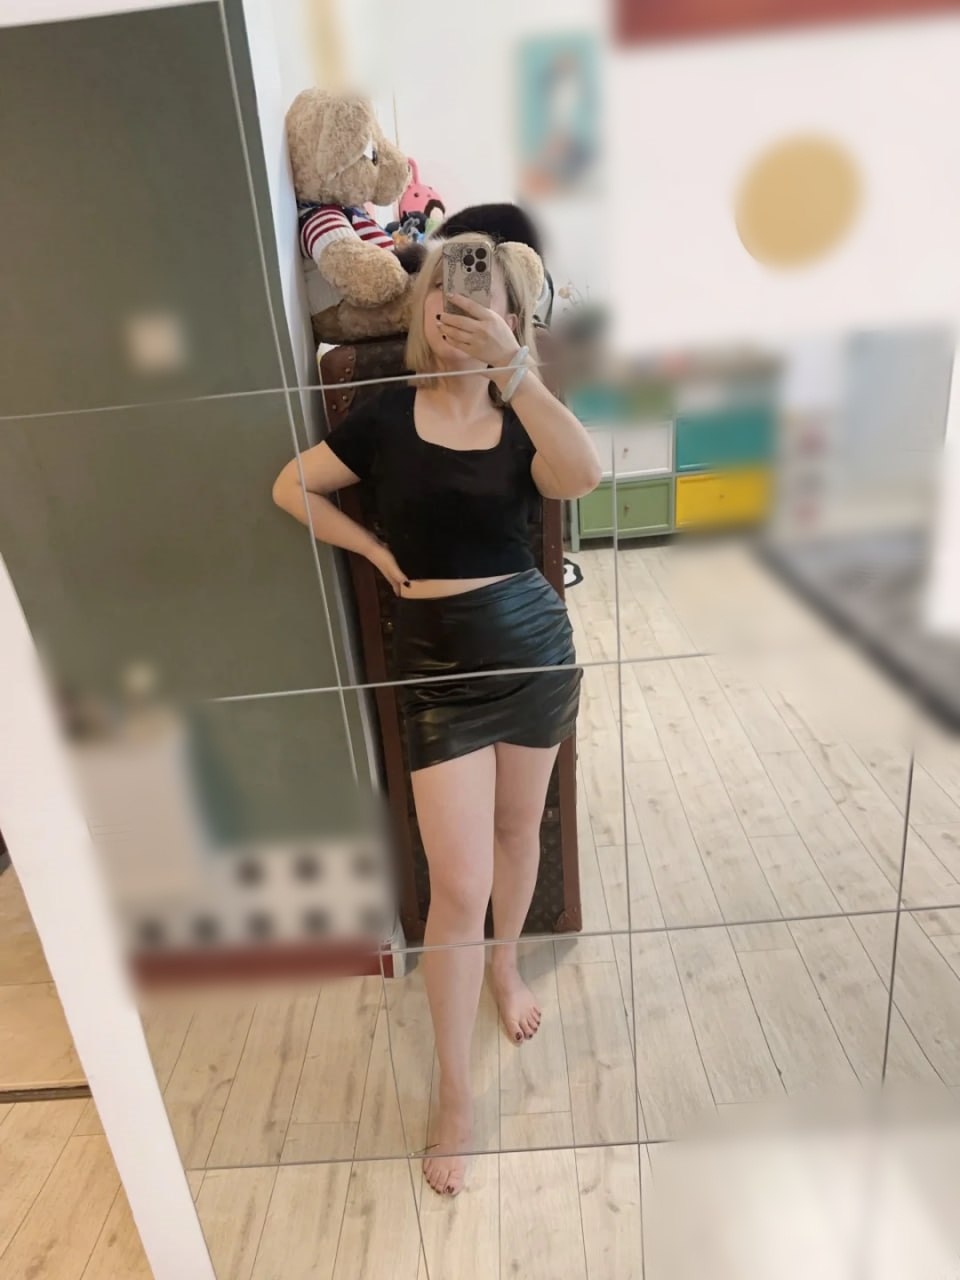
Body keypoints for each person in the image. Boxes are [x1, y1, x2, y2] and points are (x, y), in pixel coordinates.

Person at [272, 235, 601, 1197]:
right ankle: (455, 1095)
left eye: (483, 293)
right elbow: (291, 487)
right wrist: (376, 553)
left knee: (517, 832)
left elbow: (580, 476)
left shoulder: (522, 419)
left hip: (532, 648)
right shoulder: (384, 416)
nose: (457, 304)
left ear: (512, 315)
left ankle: (506, 967)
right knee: (456, 883)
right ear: (422, 306)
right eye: (444, 290)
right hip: (434, 669)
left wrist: (516, 371)